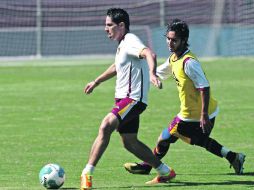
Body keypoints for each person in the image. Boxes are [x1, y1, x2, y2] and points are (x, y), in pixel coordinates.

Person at [124, 18, 246, 176]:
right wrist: (148, 77)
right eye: (168, 39)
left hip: (194, 115)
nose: (170, 43)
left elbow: (205, 87)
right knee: (198, 140)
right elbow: (158, 73)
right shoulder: (174, 58)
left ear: (184, 40)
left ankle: (149, 167)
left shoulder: (189, 63)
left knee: (164, 138)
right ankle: (234, 157)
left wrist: (203, 116)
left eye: (174, 40)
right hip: (203, 111)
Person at [80, 8, 176, 190]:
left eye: (109, 25)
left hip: (132, 100)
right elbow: (117, 66)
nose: (105, 29)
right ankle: (165, 171)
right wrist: (97, 81)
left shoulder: (131, 41)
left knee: (106, 125)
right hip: (125, 100)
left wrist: (152, 74)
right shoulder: (123, 44)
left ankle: (87, 173)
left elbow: (149, 53)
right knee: (129, 142)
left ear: (121, 25)